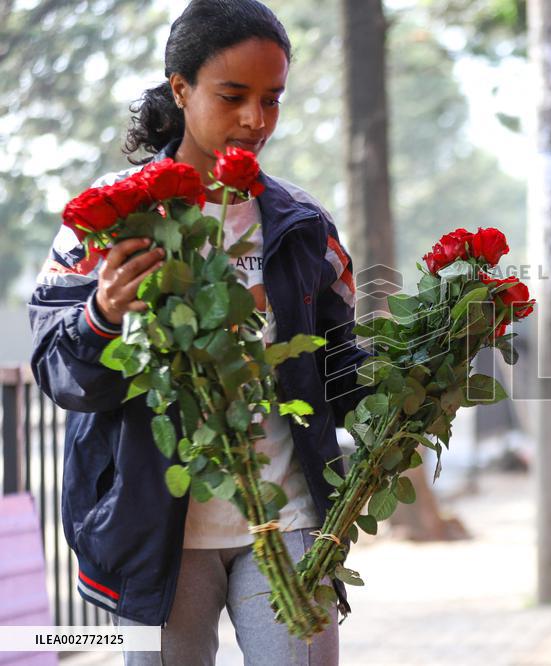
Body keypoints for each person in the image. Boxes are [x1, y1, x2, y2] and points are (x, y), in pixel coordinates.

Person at [28, 2, 369, 663]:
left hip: (288, 518)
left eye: (273, 99)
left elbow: (339, 365)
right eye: (233, 95)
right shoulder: (108, 219)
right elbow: (58, 370)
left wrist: (418, 386)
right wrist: (102, 315)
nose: (256, 120)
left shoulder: (303, 224)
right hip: (156, 536)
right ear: (181, 88)